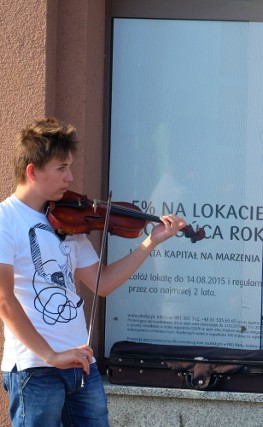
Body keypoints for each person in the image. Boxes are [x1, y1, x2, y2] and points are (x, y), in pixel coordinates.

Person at [0, 117, 187, 426]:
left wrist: (149, 243)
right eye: (61, 168)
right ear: (32, 171)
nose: (70, 177)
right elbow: (5, 302)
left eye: (70, 167)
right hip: (35, 368)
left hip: (80, 364)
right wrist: (51, 356)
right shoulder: (6, 220)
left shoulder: (67, 220)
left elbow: (103, 283)